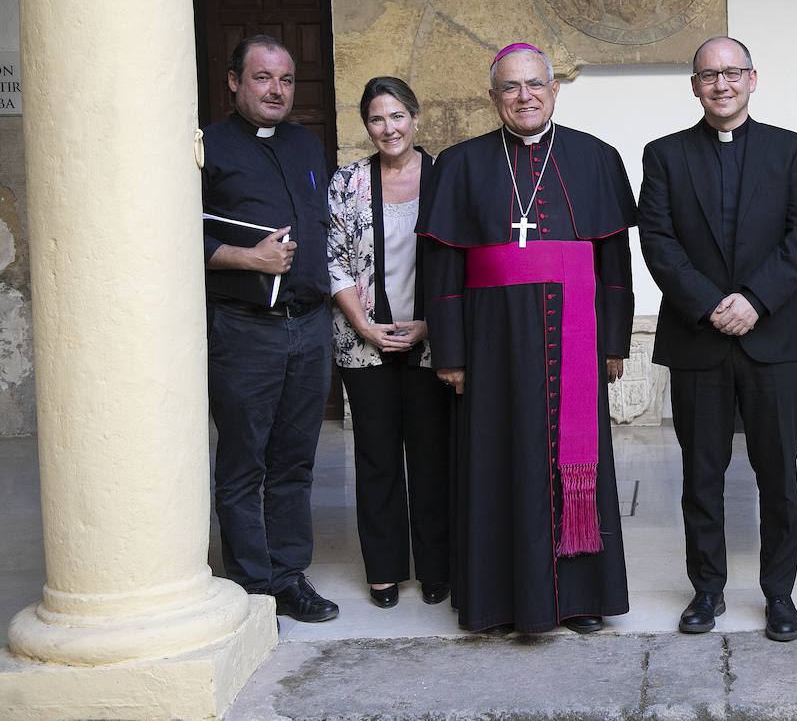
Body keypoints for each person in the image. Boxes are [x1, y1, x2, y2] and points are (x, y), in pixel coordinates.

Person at [416, 43, 635, 634]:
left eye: (534, 84)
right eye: (510, 88)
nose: (525, 96)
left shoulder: (595, 158)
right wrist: (451, 354)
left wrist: (614, 343)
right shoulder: (460, 165)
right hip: (493, 347)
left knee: (575, 462)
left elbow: (614, 264)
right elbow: (440, 272)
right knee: (497, 462)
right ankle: (498, 601)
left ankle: (580, 598)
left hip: (576, 339)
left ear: (555, 89)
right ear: (493, 98)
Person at [639, 36, 797, 642]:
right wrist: (711, 304)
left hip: (773, 337)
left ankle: (780, 595)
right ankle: (707, 590)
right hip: (699, 338)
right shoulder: (663, 155)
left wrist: (755, 300)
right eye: (709, 75)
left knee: (778, 473)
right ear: (694, 85)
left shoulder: (791, 152)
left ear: (752, 78)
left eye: (732, 72)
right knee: (701, 472)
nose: (721, 84)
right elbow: (658, 241)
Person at [201, 34, 338, 622]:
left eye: (285, 80)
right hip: (244, 328)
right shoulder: (208, 147)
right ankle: (252, 587)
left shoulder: (307, 144)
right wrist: (245, 259)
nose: (276, 90)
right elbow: (171, 231)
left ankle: (289, 575)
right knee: (243, 461)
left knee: (295, 459)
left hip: (309, 327)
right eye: (262, 78)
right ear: (234, 82)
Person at [327, 76, 450, 609]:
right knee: (376, 457)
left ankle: (437, 566)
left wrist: (432, 323)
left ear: (415, 118)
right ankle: (383, 569)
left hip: (430, 342)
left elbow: (464, 258)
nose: (388, 128)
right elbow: (332, 259)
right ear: (367, 126)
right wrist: (362, 324)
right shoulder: (346, 182)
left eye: (397, 116)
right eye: (377, 119)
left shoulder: (446, 177)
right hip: (364, 344)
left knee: (431, 457)